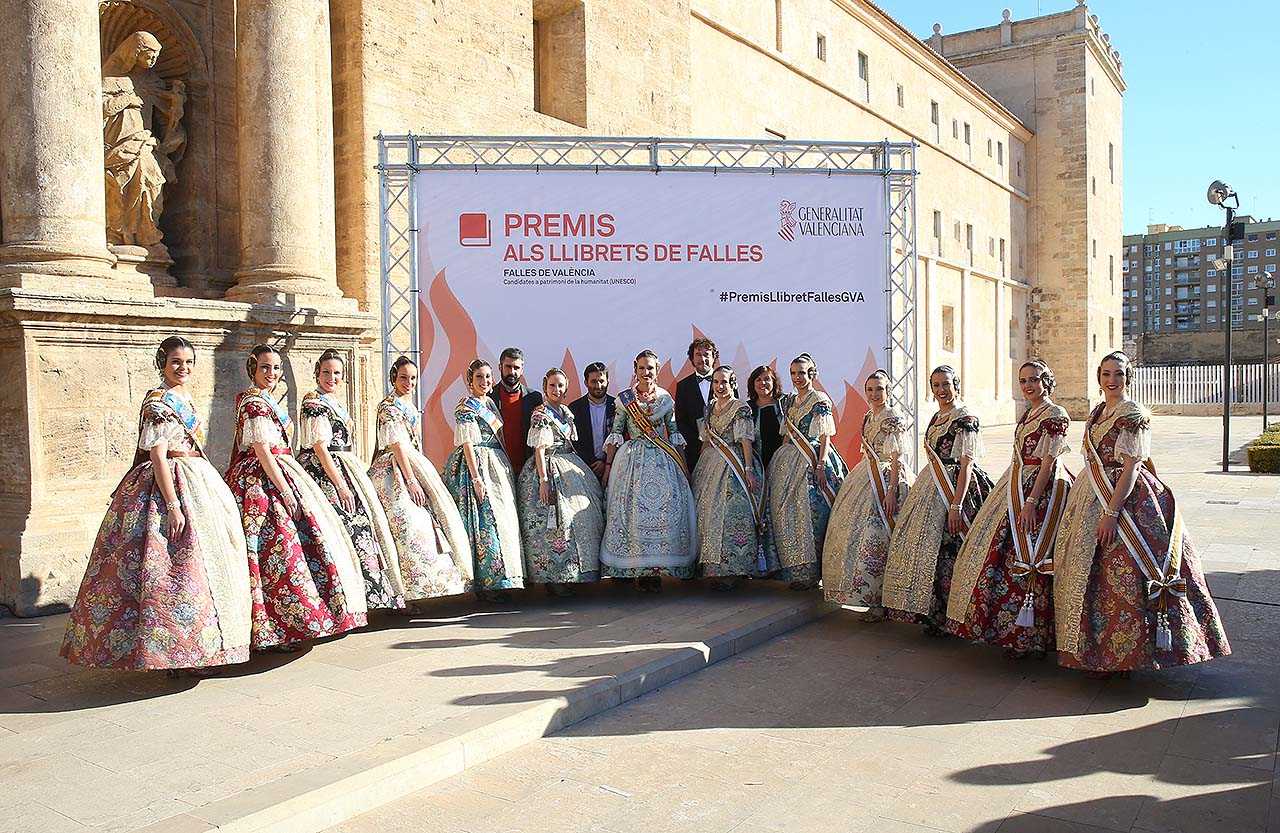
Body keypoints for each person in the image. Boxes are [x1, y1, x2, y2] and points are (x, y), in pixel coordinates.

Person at [60, 336, 251, 675]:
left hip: (197, 477)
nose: (184, 368)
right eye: (177, 361)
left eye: (189, 362)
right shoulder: (159, 403)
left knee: (201, 569)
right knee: (169, 569)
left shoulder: (184, 398)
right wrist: (174, 504)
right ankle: (172, 653)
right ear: (163, 362)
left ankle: (197, 648)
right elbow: (158, 456)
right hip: (170, 484)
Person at [1054, 351, 1230, 674]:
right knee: (1088, 574)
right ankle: (1094, 652)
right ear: (1099, 377)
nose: (1111, 380)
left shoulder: (1132, 413)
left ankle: (1130, 656)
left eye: (1118, 374)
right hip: (1089, 494)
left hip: (1126, 498)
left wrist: (1111, 511)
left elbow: (1132, 466)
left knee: (1126, 574)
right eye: (1106, 374)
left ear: (1128, 378)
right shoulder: (1097, 413)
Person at [224, 344, 367, 651]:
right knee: (273, 551)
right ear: (253, 369)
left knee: (289, 552)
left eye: (276, 368)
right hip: (263, 481)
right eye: (265, 368)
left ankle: (287, 625)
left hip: (282, 470)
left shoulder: (266, 400)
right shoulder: (254, 403)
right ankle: (271, 629)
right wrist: (285, 489)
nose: (272, 373)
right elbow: (262, 449)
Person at [947, 360, 1073, 658]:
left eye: (1034, 379)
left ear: (1047, 381)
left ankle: (1033, 636)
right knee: (1002, 555)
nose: (1028, 385)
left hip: (1043, 491)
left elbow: (1048, 463)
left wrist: (1030, 502)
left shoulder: (1056, 415)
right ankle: (1010, 632)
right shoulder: (1029, 413)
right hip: (1015, 482)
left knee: (1033, 554)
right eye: (1023, 381)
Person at [883, 365, 995, 636]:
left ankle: (956, 618)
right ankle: (934, 615)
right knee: (929, 552)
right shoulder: (935, 418)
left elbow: (967, 464)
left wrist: (957, 504)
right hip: (930, 487)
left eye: (946, 384)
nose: (941, 390)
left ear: (956, 384)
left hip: (957, 489)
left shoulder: (965, 417)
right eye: (936, 385)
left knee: (953, 553)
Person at [297, 349, 405, 611]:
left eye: (336, 373)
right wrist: (340, 484)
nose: (331, 378)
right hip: (324, 471)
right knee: (342, 528)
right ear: (316, 373)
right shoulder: (313, 403)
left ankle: (365, 599)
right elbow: (320, 447)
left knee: (363, 528)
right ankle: (341, 603)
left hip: (346, 465)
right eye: (326, 372)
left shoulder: (335, 403)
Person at [367, 356, 472, 601]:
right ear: (394, 377)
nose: (409, 382)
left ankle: (427, 587)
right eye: (403, 377)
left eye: (413, 378)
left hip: (413, 462)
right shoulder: (389, 406)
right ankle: (403, 592)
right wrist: (411, 479)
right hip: (395, 469)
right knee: (405, 525)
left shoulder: (408, 404)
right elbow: (396, 445)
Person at [601, 350, 698, 592]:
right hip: (631, 460)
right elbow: (616, 432)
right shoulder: (625, 399)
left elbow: (673, 432)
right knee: (631, 513)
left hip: (662, 460)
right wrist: (608, 467)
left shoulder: (666, 398)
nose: (646, 373)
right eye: (642, 368)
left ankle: (656, 571)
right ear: (635, 369)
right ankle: (631, 569)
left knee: (665, 511)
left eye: (651, 368)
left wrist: (683, 467)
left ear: (657, 370)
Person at [822, 369, 912, 619]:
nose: (874, 394)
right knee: (859, 536)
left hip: (887, 478)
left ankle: (883, 599)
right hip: (865, 477)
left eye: (879, 389)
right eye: (870, 389)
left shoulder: (893, 416)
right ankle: (867, 596)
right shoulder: (868, 417)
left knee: (880, 536)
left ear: (888, 390)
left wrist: (892, 490)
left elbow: (897, 456)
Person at [518, 368, 605, 594]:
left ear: (566, 388)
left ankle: (575, 574)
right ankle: (553, 578)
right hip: (547, 465)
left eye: (560, 386)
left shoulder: (566, 412)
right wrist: (543, 479)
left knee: (581, 518)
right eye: (552, 386)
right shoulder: (540, 414)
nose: (556, 390)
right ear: (545, 387)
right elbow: (539, 448)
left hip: (570, 464)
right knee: (555, 523)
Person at [445, 359, 526, 600]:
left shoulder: (489, 403)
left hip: (496, 464)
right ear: (470, 381)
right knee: (484, 522)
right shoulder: (465, 407)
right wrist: (476, 477)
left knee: (504, 520)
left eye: (488, 377)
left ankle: (505, 577)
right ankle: (486, 583)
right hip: (477, 464)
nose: (485, 381)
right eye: (479, 377)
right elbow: (467, 443)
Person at [767, 353, 847, 590]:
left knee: (813, 516)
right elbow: (786, 436)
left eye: (802, 373)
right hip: (788, 461)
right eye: (793, 373)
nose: (797, 377)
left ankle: (814, 573)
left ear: (812, 373)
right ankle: (796, 572)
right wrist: (776, 462)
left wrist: (821, 465)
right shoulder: (790, 401)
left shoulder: (819, 399)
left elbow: (825, 436)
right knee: (789, 517)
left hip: (812, 461)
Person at [693, 365, 774, 590]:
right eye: (716, 382)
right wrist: (699, 467)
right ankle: (711, 568)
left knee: (731, 513)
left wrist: (748, 469)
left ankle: (733, 570)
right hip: (710, 464)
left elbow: (746, 439)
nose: (720, 387)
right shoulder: (709, 407)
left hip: (735, 464)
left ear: (733, 384)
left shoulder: (740, 407)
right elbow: (706, 440)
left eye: (725, 382)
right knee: (708, 514)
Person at [487, 347, 543, 474]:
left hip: (528, 467)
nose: (512, 371)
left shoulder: (534, 397)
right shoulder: (489, 398)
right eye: (508, 367)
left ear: (522, 369)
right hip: (496, 466)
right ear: (500, 367)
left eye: (516, 368)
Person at [674, 338, 718, 474]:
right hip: (695, 453)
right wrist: (698, 444)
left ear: (713, 357)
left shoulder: (726, 382)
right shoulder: (683, 386)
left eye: (706, 354)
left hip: (723, 449)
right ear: (692, 358)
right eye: (698, 354)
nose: (702, 358)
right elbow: (680, 421)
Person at [568, 361, 615, 485]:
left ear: (607, 382)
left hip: (614, 469)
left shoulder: (617, 406)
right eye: (594, 381)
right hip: (583, 469)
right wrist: (593, 463)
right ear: (586, 383)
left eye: (601, 381)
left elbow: (621, 437)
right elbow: (573, 442)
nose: (598, 386)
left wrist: (605, 463)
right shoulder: (574, 408)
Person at [747, 364, 783, 471]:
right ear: (753, 384)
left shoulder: (784, 403)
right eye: (758, 380)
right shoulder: (746, 408)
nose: (763, 383)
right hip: (758, 465)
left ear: (774, 382)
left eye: (767, 379)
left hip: (784, 464)